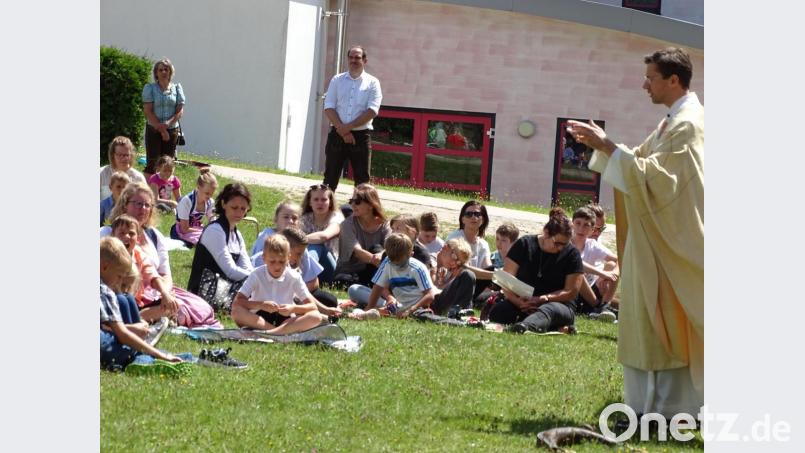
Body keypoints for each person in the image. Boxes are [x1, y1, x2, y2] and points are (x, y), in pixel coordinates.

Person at [567, 47, 704, 419]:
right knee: (647, 317)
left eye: (651, 77)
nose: (645, 85)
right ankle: (650, 407)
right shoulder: (670, 121)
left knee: (669, 319)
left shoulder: (687, 124)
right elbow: (641, 166)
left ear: (673, 80)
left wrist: (609, 147)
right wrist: (603, 148)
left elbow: (661, 183)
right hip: (654, 241)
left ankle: (673, 409)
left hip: (672, 242)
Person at [101, 182, 221, 329]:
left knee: (203, 308)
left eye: (147, 205)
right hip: (122, 290)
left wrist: (166, 294)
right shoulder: (108, 232)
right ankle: (144, 319)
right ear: (125, 204)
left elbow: (164, 273)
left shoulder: (154, 235)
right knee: (177, 310)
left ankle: (156, 316)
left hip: (157, 289)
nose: (143, 209)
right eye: (138, 203)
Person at [488, 208, 584, 334]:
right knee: (498, 312)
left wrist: (544, 299)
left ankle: (526, 326)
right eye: (557, 243)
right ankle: (554, 327)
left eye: (564, 244)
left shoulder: (572, 254)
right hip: (524, 302)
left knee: (548, 310)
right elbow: (506, 280)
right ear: (546, 233)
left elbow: (571, 291)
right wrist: (518, 302)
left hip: (557, 304)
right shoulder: (524, 244)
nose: (560, 248)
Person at [100, 237, 182, 371]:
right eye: (119, 276)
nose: (119, 282)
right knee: (126, 350)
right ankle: (146, 360)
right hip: (103, 348)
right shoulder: (104, 291)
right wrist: (159, 355)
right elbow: (122, 334)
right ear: (104, 267)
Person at [231, 234, 329, 333]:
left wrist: (293, 308)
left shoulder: (294, 276)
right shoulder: (256, 274)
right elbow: (238, 302)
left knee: (316, 316)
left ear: (288, 258)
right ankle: (276, 332)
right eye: (272, 261)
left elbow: (312, 307)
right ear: (264, 258)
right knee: (236, 311)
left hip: (286, 319)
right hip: (259, 318)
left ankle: (272, 333)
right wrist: (261, 305)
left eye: (281, 262)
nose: (277, 266)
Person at [322, 45, 383, 190]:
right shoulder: (337, 80)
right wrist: (342, 130)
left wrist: (347, 128)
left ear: (365, 60)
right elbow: (328, 106)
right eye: (351, 57)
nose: (353, 60)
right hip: (337, 134)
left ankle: (361, 212)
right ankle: (325, 210)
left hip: (361, 136)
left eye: (358, 57)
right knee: (330, 177)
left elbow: (372, 111)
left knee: (362, 181)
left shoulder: (373, 83)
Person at [187, 183, 254, 295]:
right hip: (204, 292)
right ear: (223, 204)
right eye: (234, 207)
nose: (239, 213)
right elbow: (230, 271)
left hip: (224, 289)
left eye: (243, 209)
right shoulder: (215, 230)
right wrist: (260, 279)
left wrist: (262, 279)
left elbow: (246, 266)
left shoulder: (237, 235)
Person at [111, 215, 178, 323]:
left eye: (131, 234)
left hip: (136, 302)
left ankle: (139, 318)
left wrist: (165, 293)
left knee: (170, 304)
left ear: (137, 238)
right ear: (113, 236)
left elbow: (152, 275)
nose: (127, 237)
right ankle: (136, 320)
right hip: (116, 301)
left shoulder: (138, 253)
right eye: (122, 233)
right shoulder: (109, 255)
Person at [354, 233, 435, 319]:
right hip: (398, 306)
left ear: (411, 254)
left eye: (400, 263)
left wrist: (411, 310)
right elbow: (378, 286)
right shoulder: (387, 262)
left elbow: (430, 295)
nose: (396, 266)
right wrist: (370, 307)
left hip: (417, 307)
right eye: (392, 262)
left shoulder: (418, 268)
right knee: (353, 289)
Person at [333, 183, 392, 286]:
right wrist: (377, 260)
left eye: (358, 202)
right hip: (352, 271)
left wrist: (380, 255)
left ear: (370, 205)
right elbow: (358, 252)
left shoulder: (385, 224)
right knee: (341, 280)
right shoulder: (347, 224)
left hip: (375, 267)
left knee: (377, 248)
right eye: (351, 201)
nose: (353, 205)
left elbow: (391, 247)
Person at [570, 207, 619, 321]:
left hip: (592, 288)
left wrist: (612, 274)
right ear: (572, 225)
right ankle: (599, 307)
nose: (581, 228)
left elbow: (619, 259)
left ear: (592, 230)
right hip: (573, 292)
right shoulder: (567, 243)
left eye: (586, 225)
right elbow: (577, 263)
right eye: (578, 223)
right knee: (578, 273)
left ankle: (606, 304)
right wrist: (603, 274)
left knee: (612, 265)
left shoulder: (592, 244)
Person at [280, 227, 341, 318]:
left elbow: (305, 292)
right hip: (272, 305)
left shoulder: (291, 269)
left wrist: (326, 310)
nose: (300, 257)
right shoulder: (264, 263)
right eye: (298, 253)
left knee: (328, 302)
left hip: (291, 302)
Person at [142, 57, 185, 180]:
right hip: (153, 129)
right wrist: (162, 129)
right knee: (152, 163)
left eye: (166, 69)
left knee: (168, 163)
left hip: (172, 130)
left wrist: (167, 124)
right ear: (156, 73)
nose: (163, 72)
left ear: (170, 72)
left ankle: (165, 192)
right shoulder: (149, 88)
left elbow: (180, 110)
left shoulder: (177, 88)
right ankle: (148, 194)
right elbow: (148, 111)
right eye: (160, 70)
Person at [446, 201, 493, 296]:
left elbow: (488, 267)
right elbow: (462, 268)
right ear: (463, 219)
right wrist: (494, 276)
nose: (473, 217)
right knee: (467, 274)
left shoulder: (483, 244)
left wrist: (496, 275)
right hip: (453, 283)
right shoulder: (455, 238)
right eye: (469, 214)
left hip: (475, 283)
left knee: (493, 269)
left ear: (483, 220)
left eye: (477, 214)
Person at [300, 183, 344, 283]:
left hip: (330, 268)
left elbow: (324, 236)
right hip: (304, 260)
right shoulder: (305, 218)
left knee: (317, 246)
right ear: (310, 202)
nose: (320, 203)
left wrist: (299, 239)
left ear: (330, 202)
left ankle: (303, 280)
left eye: (324, 200)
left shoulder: (336, 217)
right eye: (316, 199)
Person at [171, 168, 218, 247]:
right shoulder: (187, 201)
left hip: (197, 228)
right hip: (180, 231)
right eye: (207, 193)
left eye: (211, 194)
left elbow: (212, 221)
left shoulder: (210, 202)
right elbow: (184, 229)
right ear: (198, 187)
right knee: (204, 241)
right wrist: (204, 231)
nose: (209, 196)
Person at [430, 238, 475, 316]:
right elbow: (431, 291)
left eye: (459, 262)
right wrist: (438, 277)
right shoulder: (431, 261)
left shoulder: (450, 270)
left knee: (467, 275)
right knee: (468, 274)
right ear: (445, 248)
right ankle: (461, 313)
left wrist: (447, 279)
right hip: (432, 303)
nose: (455, 263)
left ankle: (461, 312)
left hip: (442, 302)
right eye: (455, 257)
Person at [250, 200, 302, 266]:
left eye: (294, 218)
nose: (290, 221)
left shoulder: (298, 241)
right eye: (286, 217)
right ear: (276, 219)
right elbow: (255, 262)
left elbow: (310, 272)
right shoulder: (267, 236)